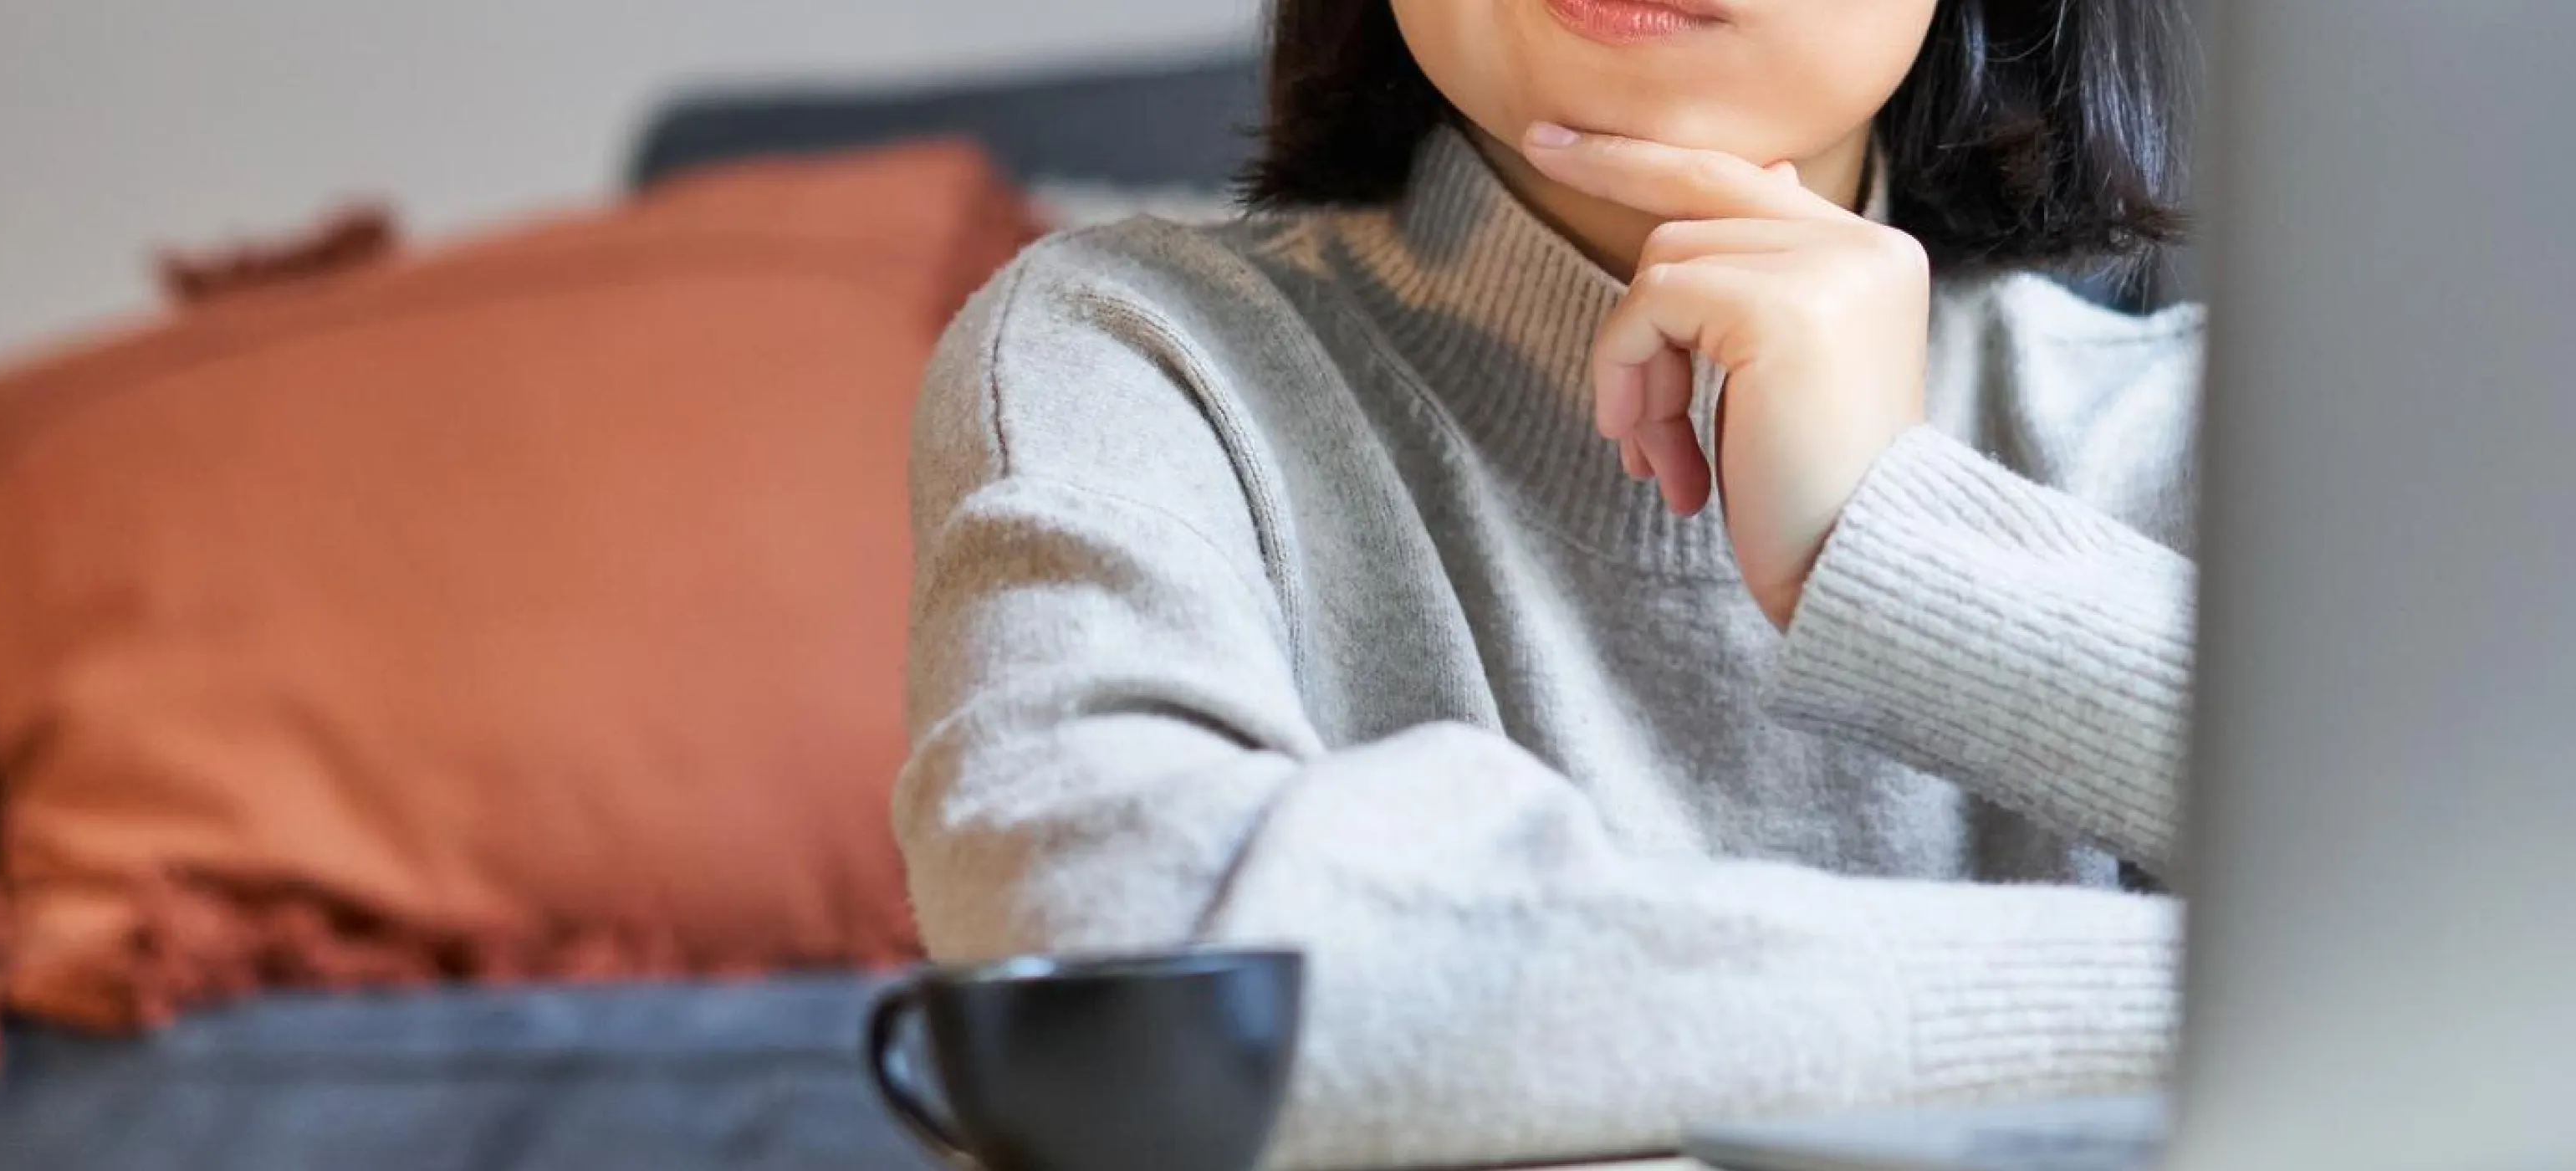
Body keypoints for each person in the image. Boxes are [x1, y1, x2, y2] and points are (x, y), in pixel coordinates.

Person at [900, 0, 2201, 1165]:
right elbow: (1131, 990)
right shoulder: (1130, 353)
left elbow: (2408, 903)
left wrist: (1908, 554)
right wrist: (2241, 998)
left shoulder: (2212, 439)